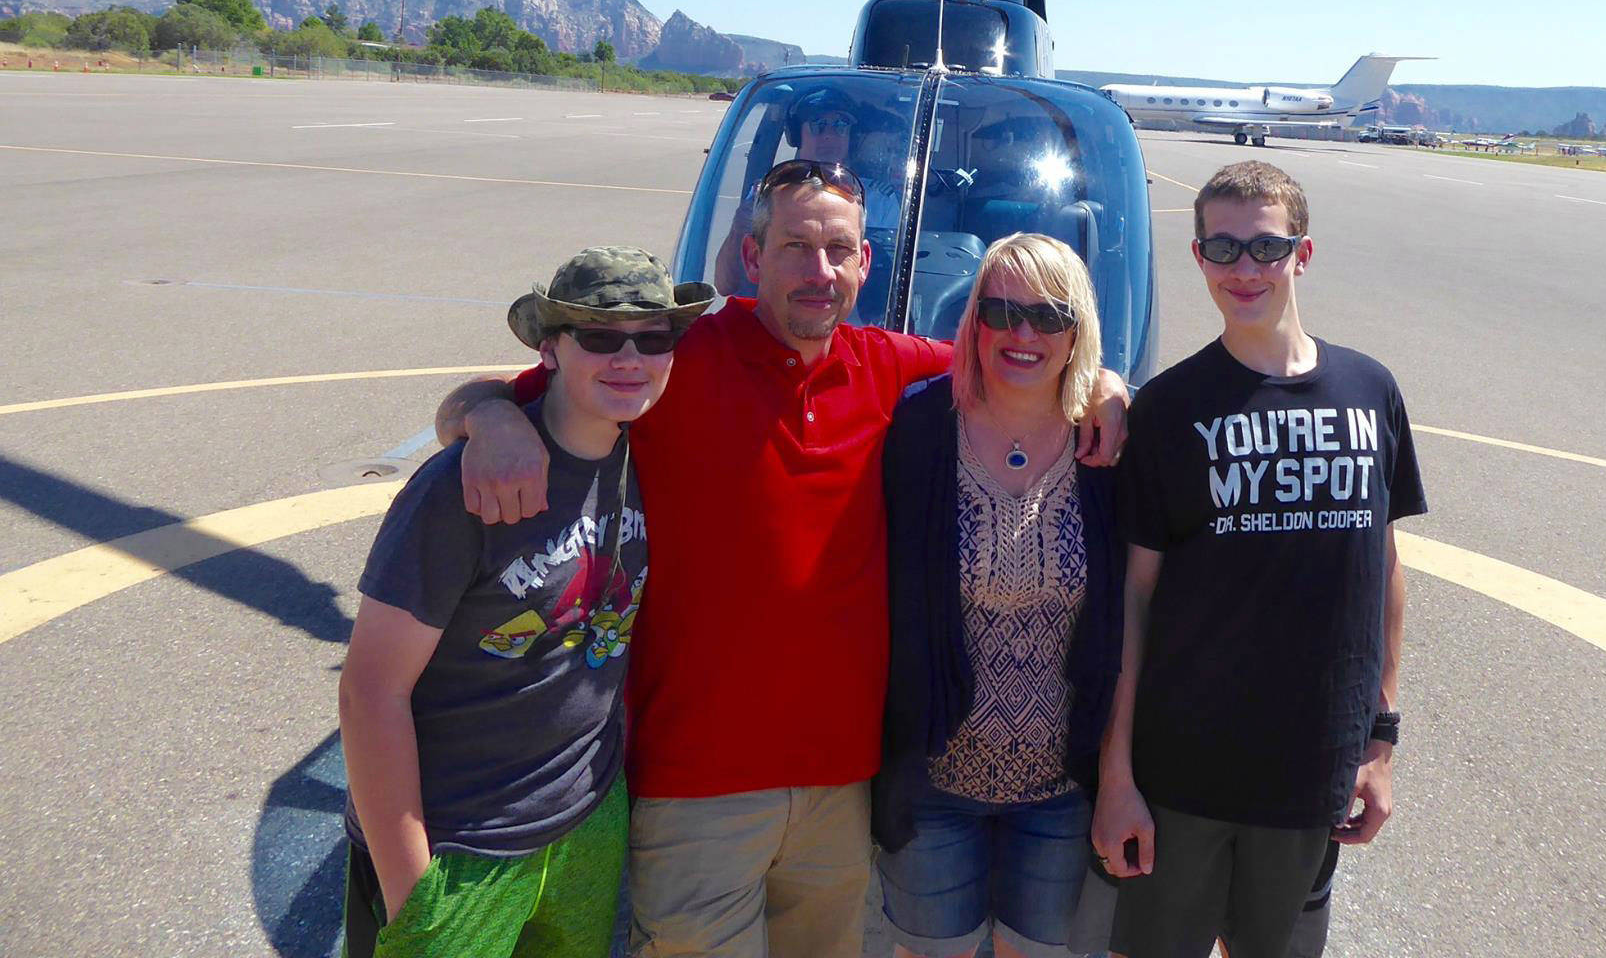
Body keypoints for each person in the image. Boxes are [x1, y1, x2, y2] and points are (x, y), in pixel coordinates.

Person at [437, 163, 1129, 958]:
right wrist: (488, 418)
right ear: (750, 256)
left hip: (842, 786)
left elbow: (1022, 362)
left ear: (865, 264)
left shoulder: (892, 368)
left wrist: (1107, 385)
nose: (820, 270)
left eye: (839, 249)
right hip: (696, 782)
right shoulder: (674, 357)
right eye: (796, 246)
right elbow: (505, 391)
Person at [1092, 161, 1427, 958]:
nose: (1245, 269)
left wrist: (1380, 744)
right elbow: (1135, 601)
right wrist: (1117, 777)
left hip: (1311, 771)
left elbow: (1383, 577)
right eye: (1224, 248)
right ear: (1199, 256)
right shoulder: (1169, 410)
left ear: (1302, 255)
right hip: (1182, 775)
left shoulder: (1369, 390)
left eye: (1267, 248)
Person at [337, 247, 711, 958]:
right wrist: (412, 893)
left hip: (585, 825)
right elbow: (368, 692)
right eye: (600, 336)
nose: (629, 357)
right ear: (550, 348)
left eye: (653, 337)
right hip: (461, 842)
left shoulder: (652, 451)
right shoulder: (466, 488)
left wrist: (479, 406)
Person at [874, 234, 1125, 958]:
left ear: (1078, 331)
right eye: (1001, 311)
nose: (1023, 334)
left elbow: (1135, 618)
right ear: (973, 321)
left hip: (1060, 789)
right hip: (934, 784)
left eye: (1048, 316)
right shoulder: (919, 427)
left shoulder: (1107, 447)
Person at [713, 85, 903, 296]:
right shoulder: (767, 195)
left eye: (840, 126)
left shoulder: (879, 201)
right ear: (797, 135)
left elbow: (888, 288)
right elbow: (725, 285)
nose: (829, 136)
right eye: (818, 125)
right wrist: (739, 228)